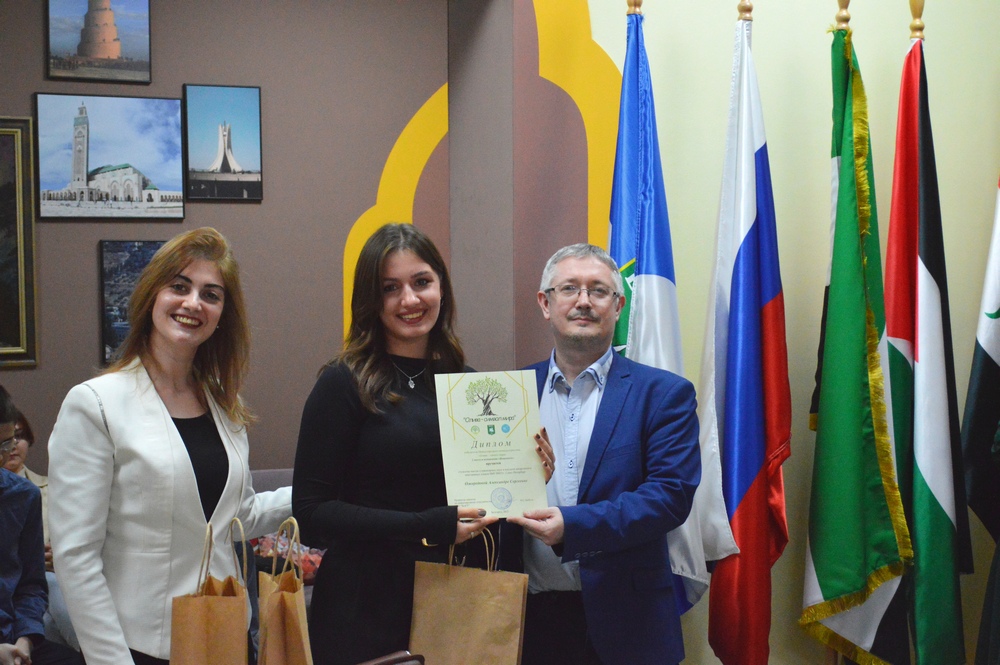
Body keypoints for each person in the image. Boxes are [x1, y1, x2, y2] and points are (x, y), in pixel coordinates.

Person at [47, 227, 292, 665]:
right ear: (151, 296)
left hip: (225, 634)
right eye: (179, 287)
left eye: (211, 294)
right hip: (139, 648)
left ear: (222, 314)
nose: (193, 303)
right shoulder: (96, 404)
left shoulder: (224, 406)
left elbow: (237, 517)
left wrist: (321, 487)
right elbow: (75, 557)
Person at [293, 223, 498, 665]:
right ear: (370, 300)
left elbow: (483, 505)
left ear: (441, 287)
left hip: (452, 599)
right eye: (390, 288)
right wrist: (425, 524)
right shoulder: (343, 383)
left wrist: (526, 472)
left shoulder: (466, 386)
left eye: (421, 282)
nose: (410, 300)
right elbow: (311, 514)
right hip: (362, 608)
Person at [503, 243, 702, 665]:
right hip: (527, 620)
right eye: (569, 288)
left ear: (618, 306)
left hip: (630, 625)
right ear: (545, 303)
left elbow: (669, 497)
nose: (583, 301)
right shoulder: (509, 393)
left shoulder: (663, 394)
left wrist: (571, 527)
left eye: (598, 290)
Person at [0, 385, 83, 665]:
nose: (2, 456)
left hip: (12, 637)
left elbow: (31, 585)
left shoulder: (24, 496)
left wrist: (25, 641)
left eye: (7, 443)